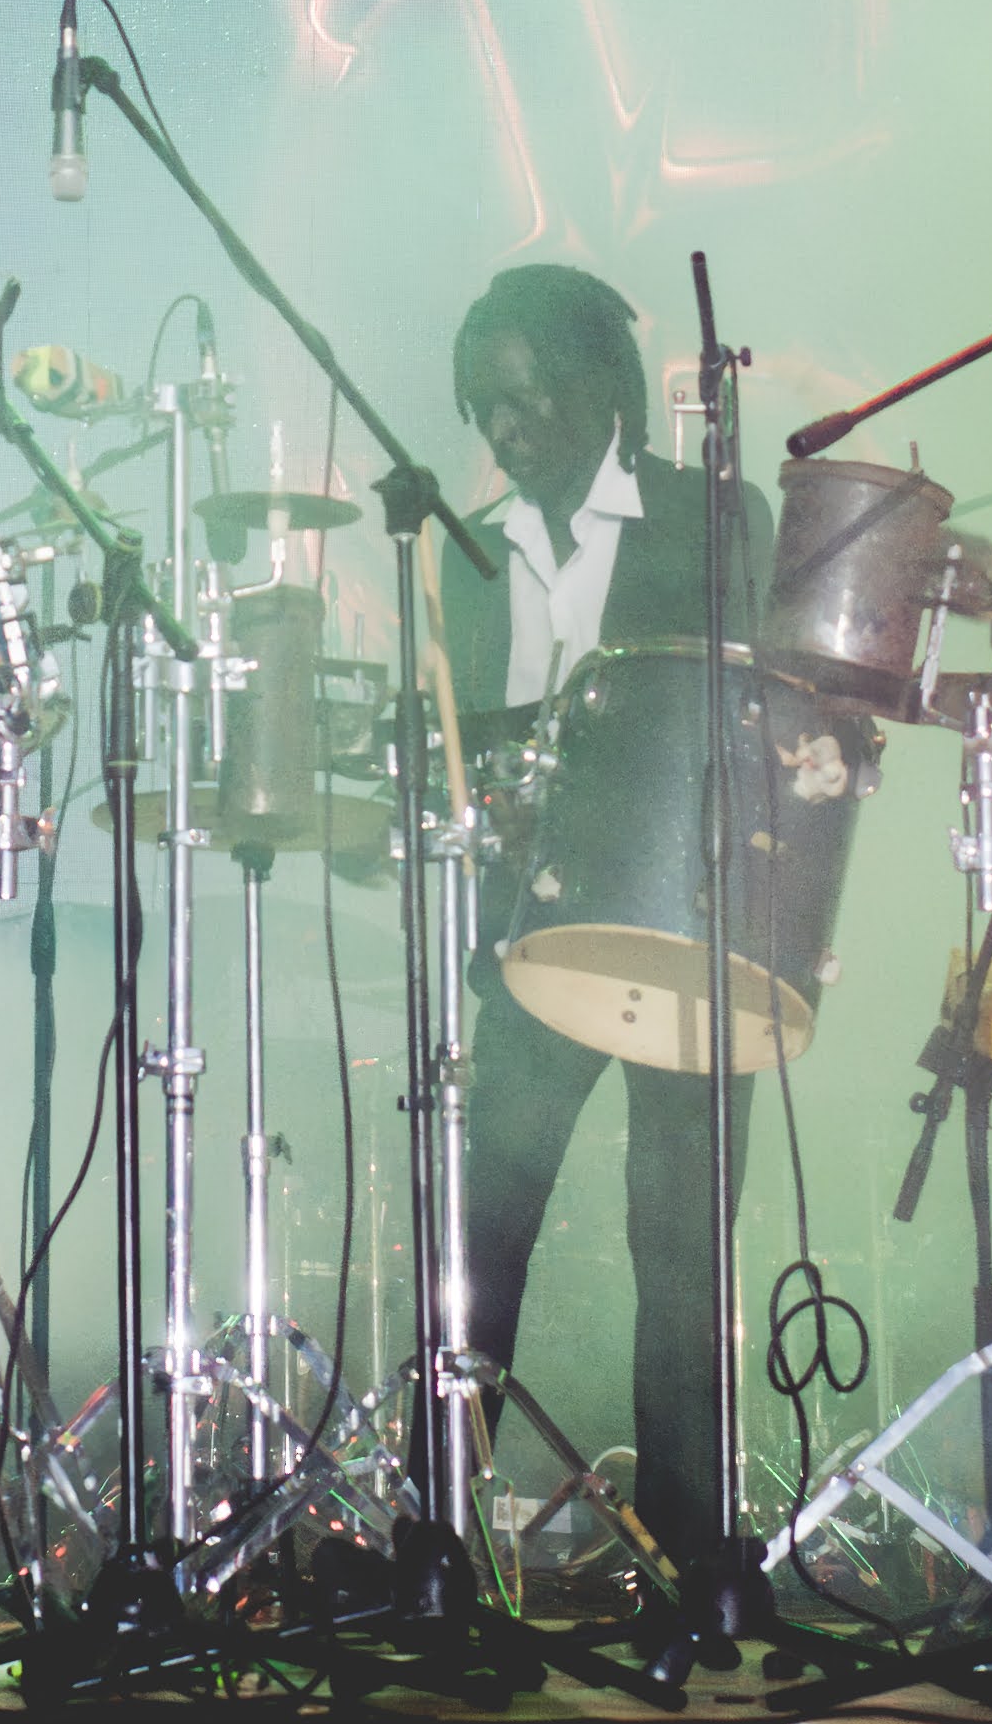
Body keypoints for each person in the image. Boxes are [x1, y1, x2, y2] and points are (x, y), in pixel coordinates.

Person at [432, 263, 775, 1571]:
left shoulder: (711, 514)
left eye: (524, 398)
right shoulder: (468, 553)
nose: (505, 428)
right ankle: (442, 1522)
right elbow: (467, 741)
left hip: (681, 927)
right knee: (482, 1232)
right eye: (484, 408)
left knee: (681, 1244)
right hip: (531, 933)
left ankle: (690, 1548)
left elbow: (760, 712)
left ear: (601, 388)